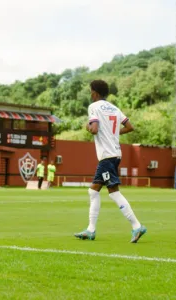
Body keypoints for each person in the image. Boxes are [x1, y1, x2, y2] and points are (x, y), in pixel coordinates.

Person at [74, 79, 147, 243]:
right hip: (115, 154)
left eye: (90, 91)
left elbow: (93, 129)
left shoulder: (94, 107)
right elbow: (130, 127)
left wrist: (87, 126)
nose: (90, 94)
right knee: (94, 191)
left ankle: (136, 226)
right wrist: (113, 134)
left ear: (95, 92)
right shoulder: (114, 108)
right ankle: (90, 230)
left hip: (106, 156)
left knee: (113, 193)